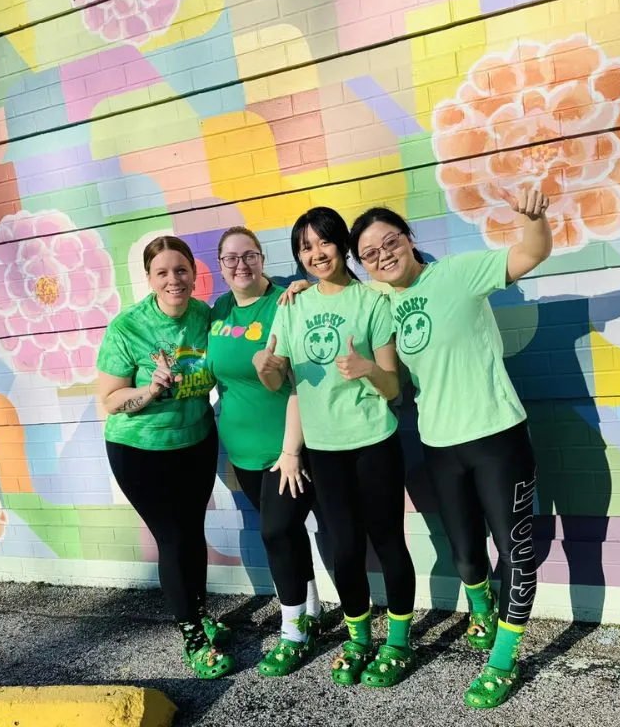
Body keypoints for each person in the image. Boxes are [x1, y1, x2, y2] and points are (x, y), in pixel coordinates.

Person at [348, 188, 552, 708]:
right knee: (465, 555)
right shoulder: (378, 300)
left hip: (496, 436)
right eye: (369, 254)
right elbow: (335, 293)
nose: (382, 256)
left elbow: (529, 254)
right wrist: (299, 287)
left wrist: (534, 221)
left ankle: (503, 660)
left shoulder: (457, 273)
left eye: (389, 242)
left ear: (409, 239)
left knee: (515, 551)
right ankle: (481, 613)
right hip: (439, 444)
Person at [254, 207, 417, 688]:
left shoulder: (372, 302)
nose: (315, 254)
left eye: (322, 242)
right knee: (344, 549)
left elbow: (395, 389)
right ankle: (359, 638)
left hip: (374, 443)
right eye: (305, 247)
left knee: (388, 542)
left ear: (341, 244)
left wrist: (367, 368)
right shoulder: (292, 305)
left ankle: (399, 641)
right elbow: (277, 380)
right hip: (324, 450)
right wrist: (265, 363)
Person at [96, 235, 232, 680]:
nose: (173, 279)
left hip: (195, 441)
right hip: (140, 451)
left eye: (181, 270)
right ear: (150, 279)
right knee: (173, 538)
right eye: (163, 272)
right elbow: (110, 400)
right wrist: (150, 390)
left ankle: (198, 613)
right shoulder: (128, 328)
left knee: (193, 533)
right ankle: (193, 637)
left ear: (194, 274)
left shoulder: (205, 316)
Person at [206, 225, 322, 677]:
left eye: (249, 256)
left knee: (275, 532)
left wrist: (291, 451)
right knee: (286, 533)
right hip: (243, 452)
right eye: (231, 258)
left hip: (288, 448)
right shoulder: (218, 310)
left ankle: (293, 632)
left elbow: (299, 379)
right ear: (220, 266)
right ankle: (310, 609)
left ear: (262, 259)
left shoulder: (286, 301)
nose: (241, 265)